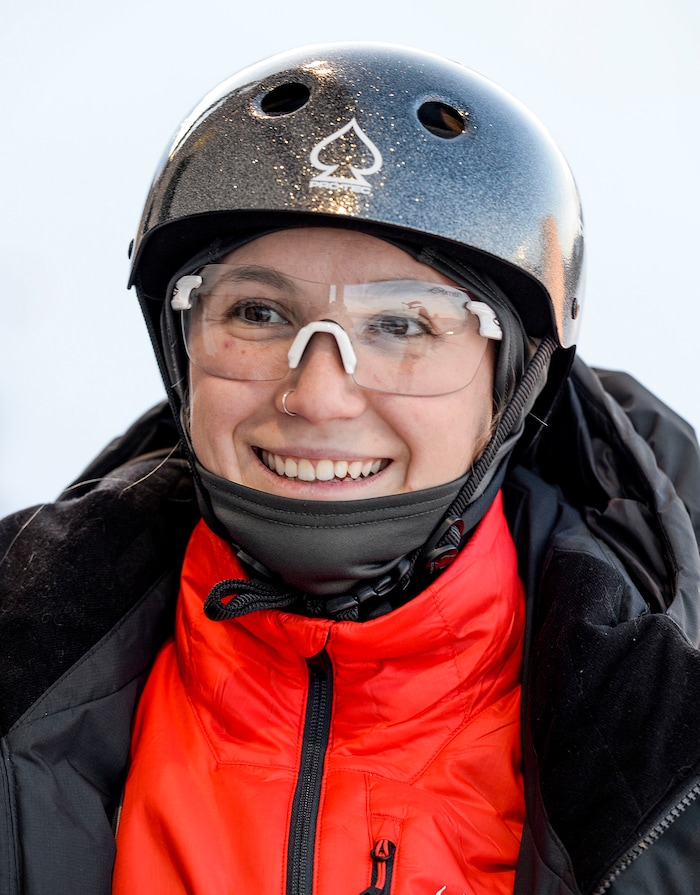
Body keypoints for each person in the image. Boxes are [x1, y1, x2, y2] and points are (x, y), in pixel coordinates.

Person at [1, 42, 699, 895]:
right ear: (182, 353)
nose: (318, 396)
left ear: (512, 383)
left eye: (402, 325)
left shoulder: (671, 757)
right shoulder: (19, 652)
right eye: (258, 312)